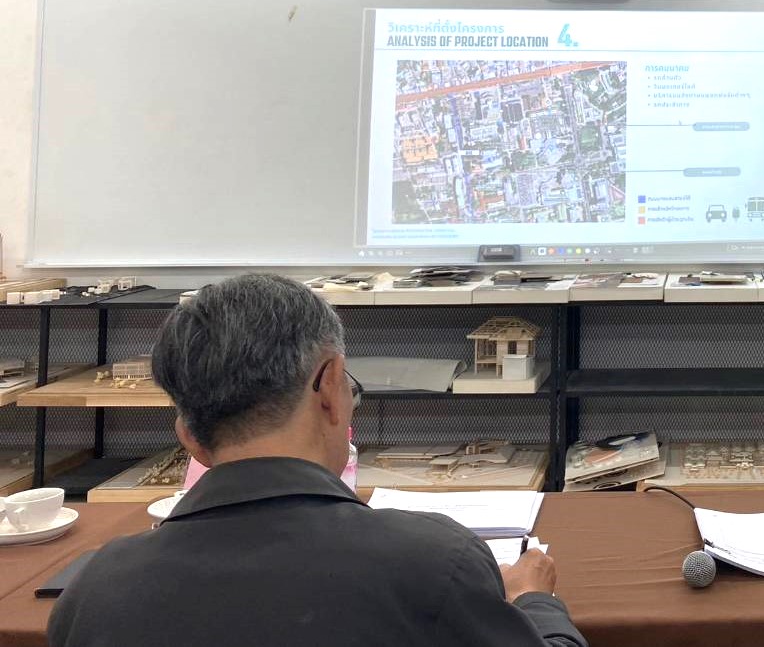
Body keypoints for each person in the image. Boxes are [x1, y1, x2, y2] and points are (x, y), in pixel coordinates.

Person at [49, 274, 586, 647]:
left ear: (187, 434)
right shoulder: (433, 562)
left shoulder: (95, 591)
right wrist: (534, 601)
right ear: (329, 388)